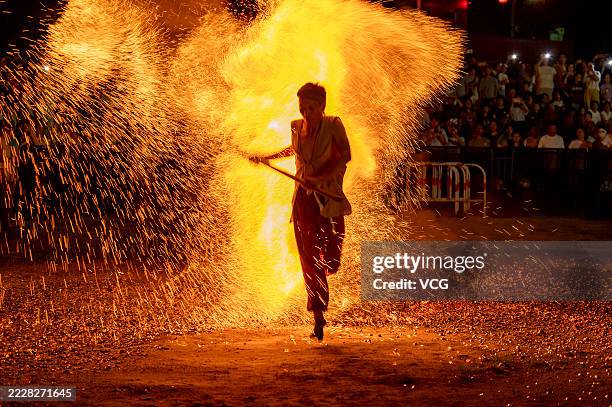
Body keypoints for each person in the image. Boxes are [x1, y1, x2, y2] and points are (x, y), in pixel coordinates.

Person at [249, 83, 351, 341]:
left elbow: (345, 156)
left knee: (331, 259)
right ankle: (318, 314)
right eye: (302, 107)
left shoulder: (334, 125)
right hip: (303, 202)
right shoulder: (295, 126)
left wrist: (321, 178)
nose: (305, 113)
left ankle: (324, 278)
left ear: (322, 107)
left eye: (311, 108)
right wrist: (267, 158)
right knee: (308, 258)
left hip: (328, 200)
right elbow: (293, 151)